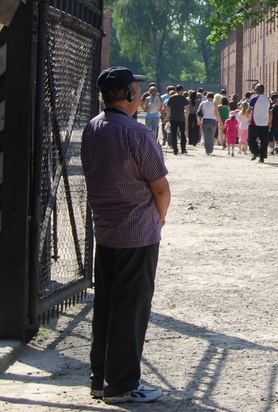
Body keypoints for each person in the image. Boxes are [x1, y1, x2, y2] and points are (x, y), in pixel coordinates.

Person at [82, 67, 170, 403]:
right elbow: (160, 188)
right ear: (130, 94)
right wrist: (159, 218)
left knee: (105, 304)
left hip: (105, 230)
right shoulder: (138, 133)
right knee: (131, 307)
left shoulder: (92, 127)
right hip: (137, 233)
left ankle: (100, 378)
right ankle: (121, 385)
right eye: (136, 89)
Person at [249, 84, 271, 162]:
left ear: (258, 90)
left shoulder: (254, 99)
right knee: (264, 140)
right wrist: (269, 122)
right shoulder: (267, 100)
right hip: (264, 123)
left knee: (251, 139)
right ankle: (262, 156)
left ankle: (256, 152)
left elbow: (249, 110)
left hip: (255, 122)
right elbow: (270, 112)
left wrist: (248, 116)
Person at [165, 85, 189, 155]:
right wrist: (187, 117)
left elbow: (167, 108)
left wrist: (167, 117)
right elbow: (187, 108)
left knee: (174, 134)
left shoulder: (171, 98)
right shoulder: (183, 98)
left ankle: (175, 149)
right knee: (182, 133)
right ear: (181, 90)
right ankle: (183, 149)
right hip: (181, 118)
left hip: (173, 118)